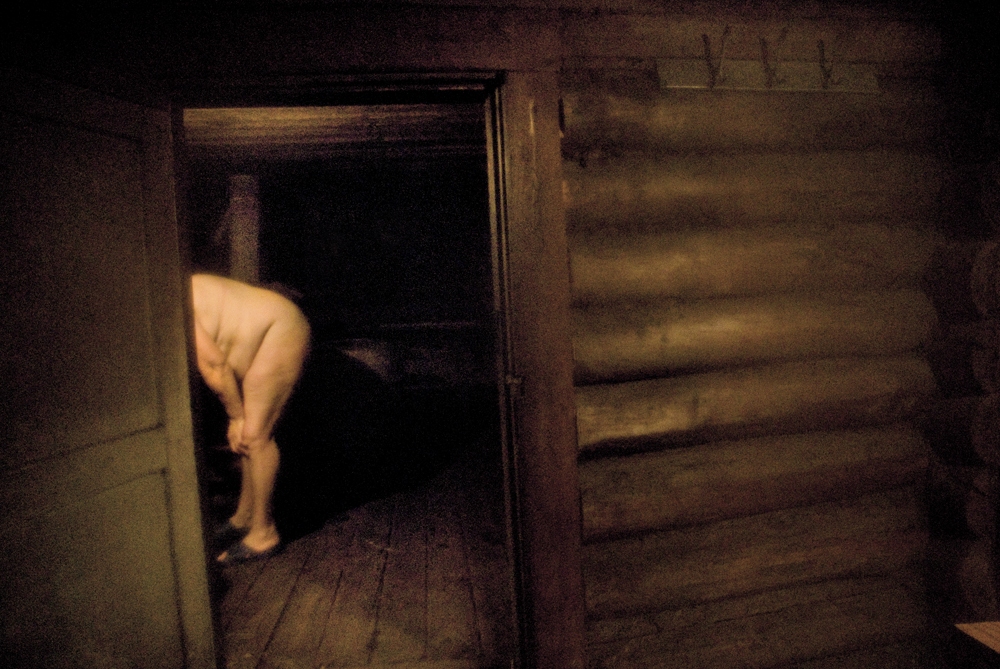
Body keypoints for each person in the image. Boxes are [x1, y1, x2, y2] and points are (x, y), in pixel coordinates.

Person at [190, 273, 311, 564]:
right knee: (248, 434)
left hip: (280, 328)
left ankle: (264, 534)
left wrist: (236, 417)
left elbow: (215, 364)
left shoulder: (166, 301)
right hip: (264, 332)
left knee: (255, 435)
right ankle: (244, 518)